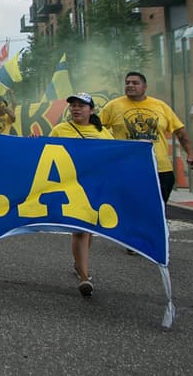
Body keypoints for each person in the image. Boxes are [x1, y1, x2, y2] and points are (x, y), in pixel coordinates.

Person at [99, 71, 193, 204]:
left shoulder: (160, 106)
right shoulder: (113, 106)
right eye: (127, 83)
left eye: (135, 83)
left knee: (158, 209)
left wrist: (191, 154)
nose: (130, 85)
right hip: (126, 168)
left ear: (145, 87)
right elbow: (96, 129)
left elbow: (180, 132)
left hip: (160, 169)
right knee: (129, 207)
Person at [49, 93, 114, 297]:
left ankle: (79, 263)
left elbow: (117, 153)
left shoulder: (102, 132)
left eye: (81, 106)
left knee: (89, 228)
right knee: (79, 230)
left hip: (96, 186)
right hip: (71, 186)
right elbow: (44, 152)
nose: (76, 109)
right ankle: (84, 276)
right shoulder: (60, 130)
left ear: (91, 110)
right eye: (73, 106)